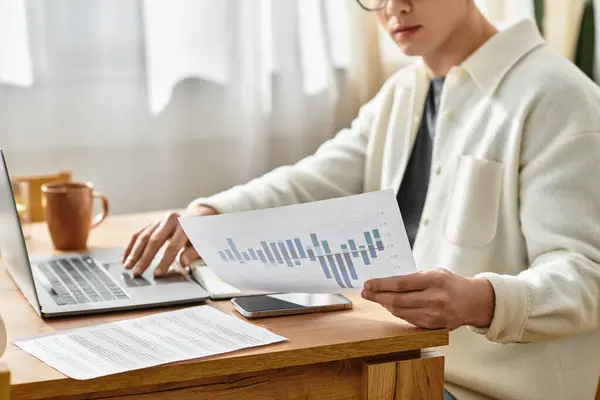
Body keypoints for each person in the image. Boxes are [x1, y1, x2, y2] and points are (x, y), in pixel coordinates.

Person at [122, 0, 600, 399]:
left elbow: (587, 276)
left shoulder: (558, 97)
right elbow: (316, 178)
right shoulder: (404, 92)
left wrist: (481, 301)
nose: (394, 7)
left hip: (476, 390)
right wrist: (209, 214)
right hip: (390, 364)